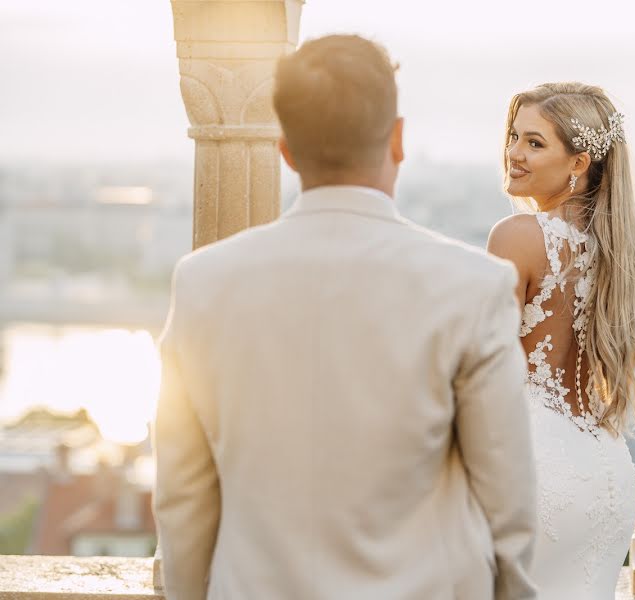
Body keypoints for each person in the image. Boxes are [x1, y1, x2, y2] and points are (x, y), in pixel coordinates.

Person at [153, 35, 538, 600]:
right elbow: (507, 501)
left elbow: (183, 497)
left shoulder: (202, 282)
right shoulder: (473, 287)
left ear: (285, 150)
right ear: (398, 140)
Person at [487, 82, 635, 599]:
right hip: (605, 470)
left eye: (535, 142)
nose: (514, 153)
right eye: (514, 136)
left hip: (529, 462)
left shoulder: (517, 236)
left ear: (579, 162)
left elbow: (485, 367)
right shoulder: (616, 251)